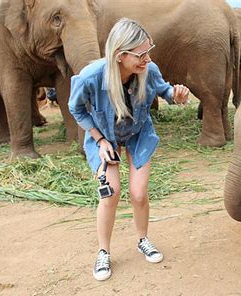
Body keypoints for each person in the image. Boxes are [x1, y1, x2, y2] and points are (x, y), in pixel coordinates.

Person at [68, 18, 189, 281]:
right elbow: (75, 108)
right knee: (110, 194)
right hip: (106, 138)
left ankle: (142, 239)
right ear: (120, 55)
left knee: (139, 193)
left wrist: (176, 95)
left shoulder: (149, 69)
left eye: (149, 50)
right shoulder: (91, 77)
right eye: (141, 54)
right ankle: (103, 252)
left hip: (138, 134)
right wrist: (99, 141)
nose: (147, 58)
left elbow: (165, 91)